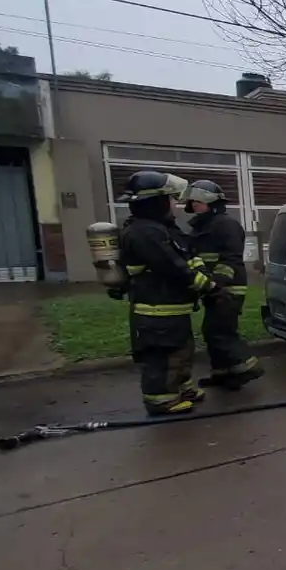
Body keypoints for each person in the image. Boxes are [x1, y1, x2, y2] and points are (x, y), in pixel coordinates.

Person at [113, 171, 216, 416]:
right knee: (161, 356)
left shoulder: (160, 228)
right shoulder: (145, 233)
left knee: (180, 351)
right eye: (171, 198)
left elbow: (186, 255)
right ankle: (161, 400)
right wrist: (207, 285)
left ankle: (182, 389)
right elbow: (173, 267)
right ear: (155, 201)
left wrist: (201, 274)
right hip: (156, 310)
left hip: (170, 309)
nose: (176, 204)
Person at [182, 179, 263, 390]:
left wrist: (218, 283)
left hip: (228, 288)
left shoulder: (226, 225)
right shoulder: (201, 226)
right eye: (192, 202)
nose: (194, 206)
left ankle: (248, 366)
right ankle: (222, 373)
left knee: (221, 331)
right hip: (211, 287)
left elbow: (231, 259)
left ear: (210, 202)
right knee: (211, 330)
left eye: (197, 202)